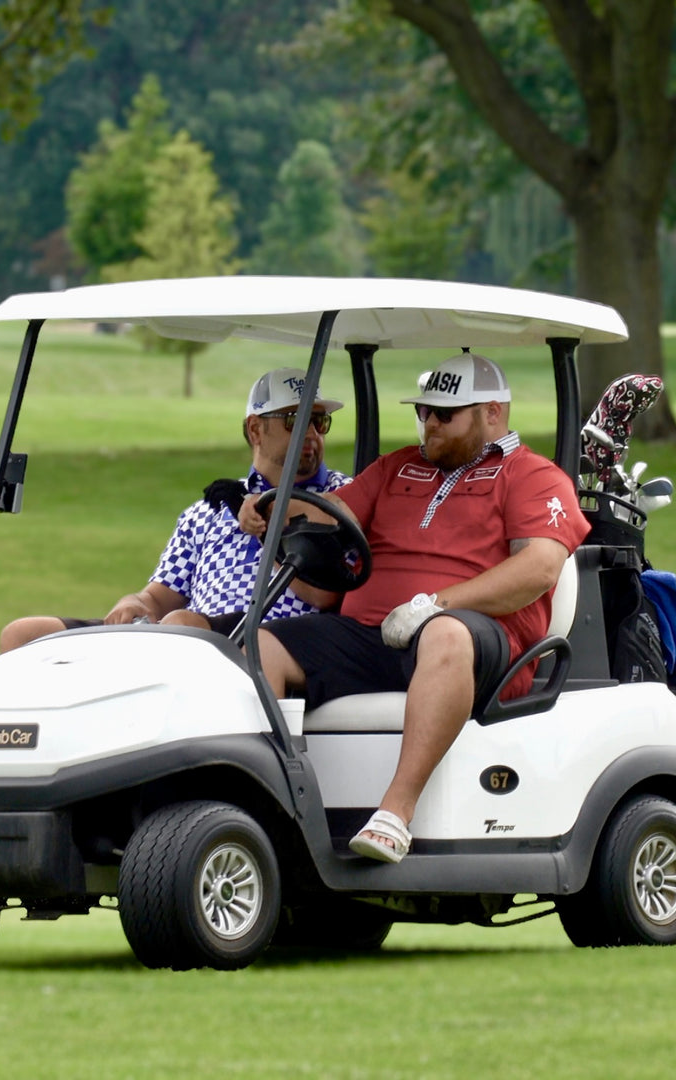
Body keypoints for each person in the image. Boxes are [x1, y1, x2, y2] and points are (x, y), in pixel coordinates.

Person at [243, 351, 590, 864]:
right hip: (375, 633)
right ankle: (270, 813)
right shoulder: (398, 466)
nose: (428, 423)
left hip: (481, 644)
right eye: (423, 411)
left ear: (491, 414)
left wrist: (437, 604)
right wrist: (273, 504)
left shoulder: (532, 476)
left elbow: (538, 569)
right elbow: (336, 511)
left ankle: (394, 813)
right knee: (268, 645)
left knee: (443, 634)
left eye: (443, 414)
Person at [0, 367, 350, 652]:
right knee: (24, 634)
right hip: (186, 635)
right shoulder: (210, 509)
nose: (312, 433)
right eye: (295, 419)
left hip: (274, 638)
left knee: (182, 627)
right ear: (255, 429)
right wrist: (134, 602)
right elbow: (159, 596)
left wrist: (267, 519)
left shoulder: (342, 495)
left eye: (319, 422)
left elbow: (326, 595)